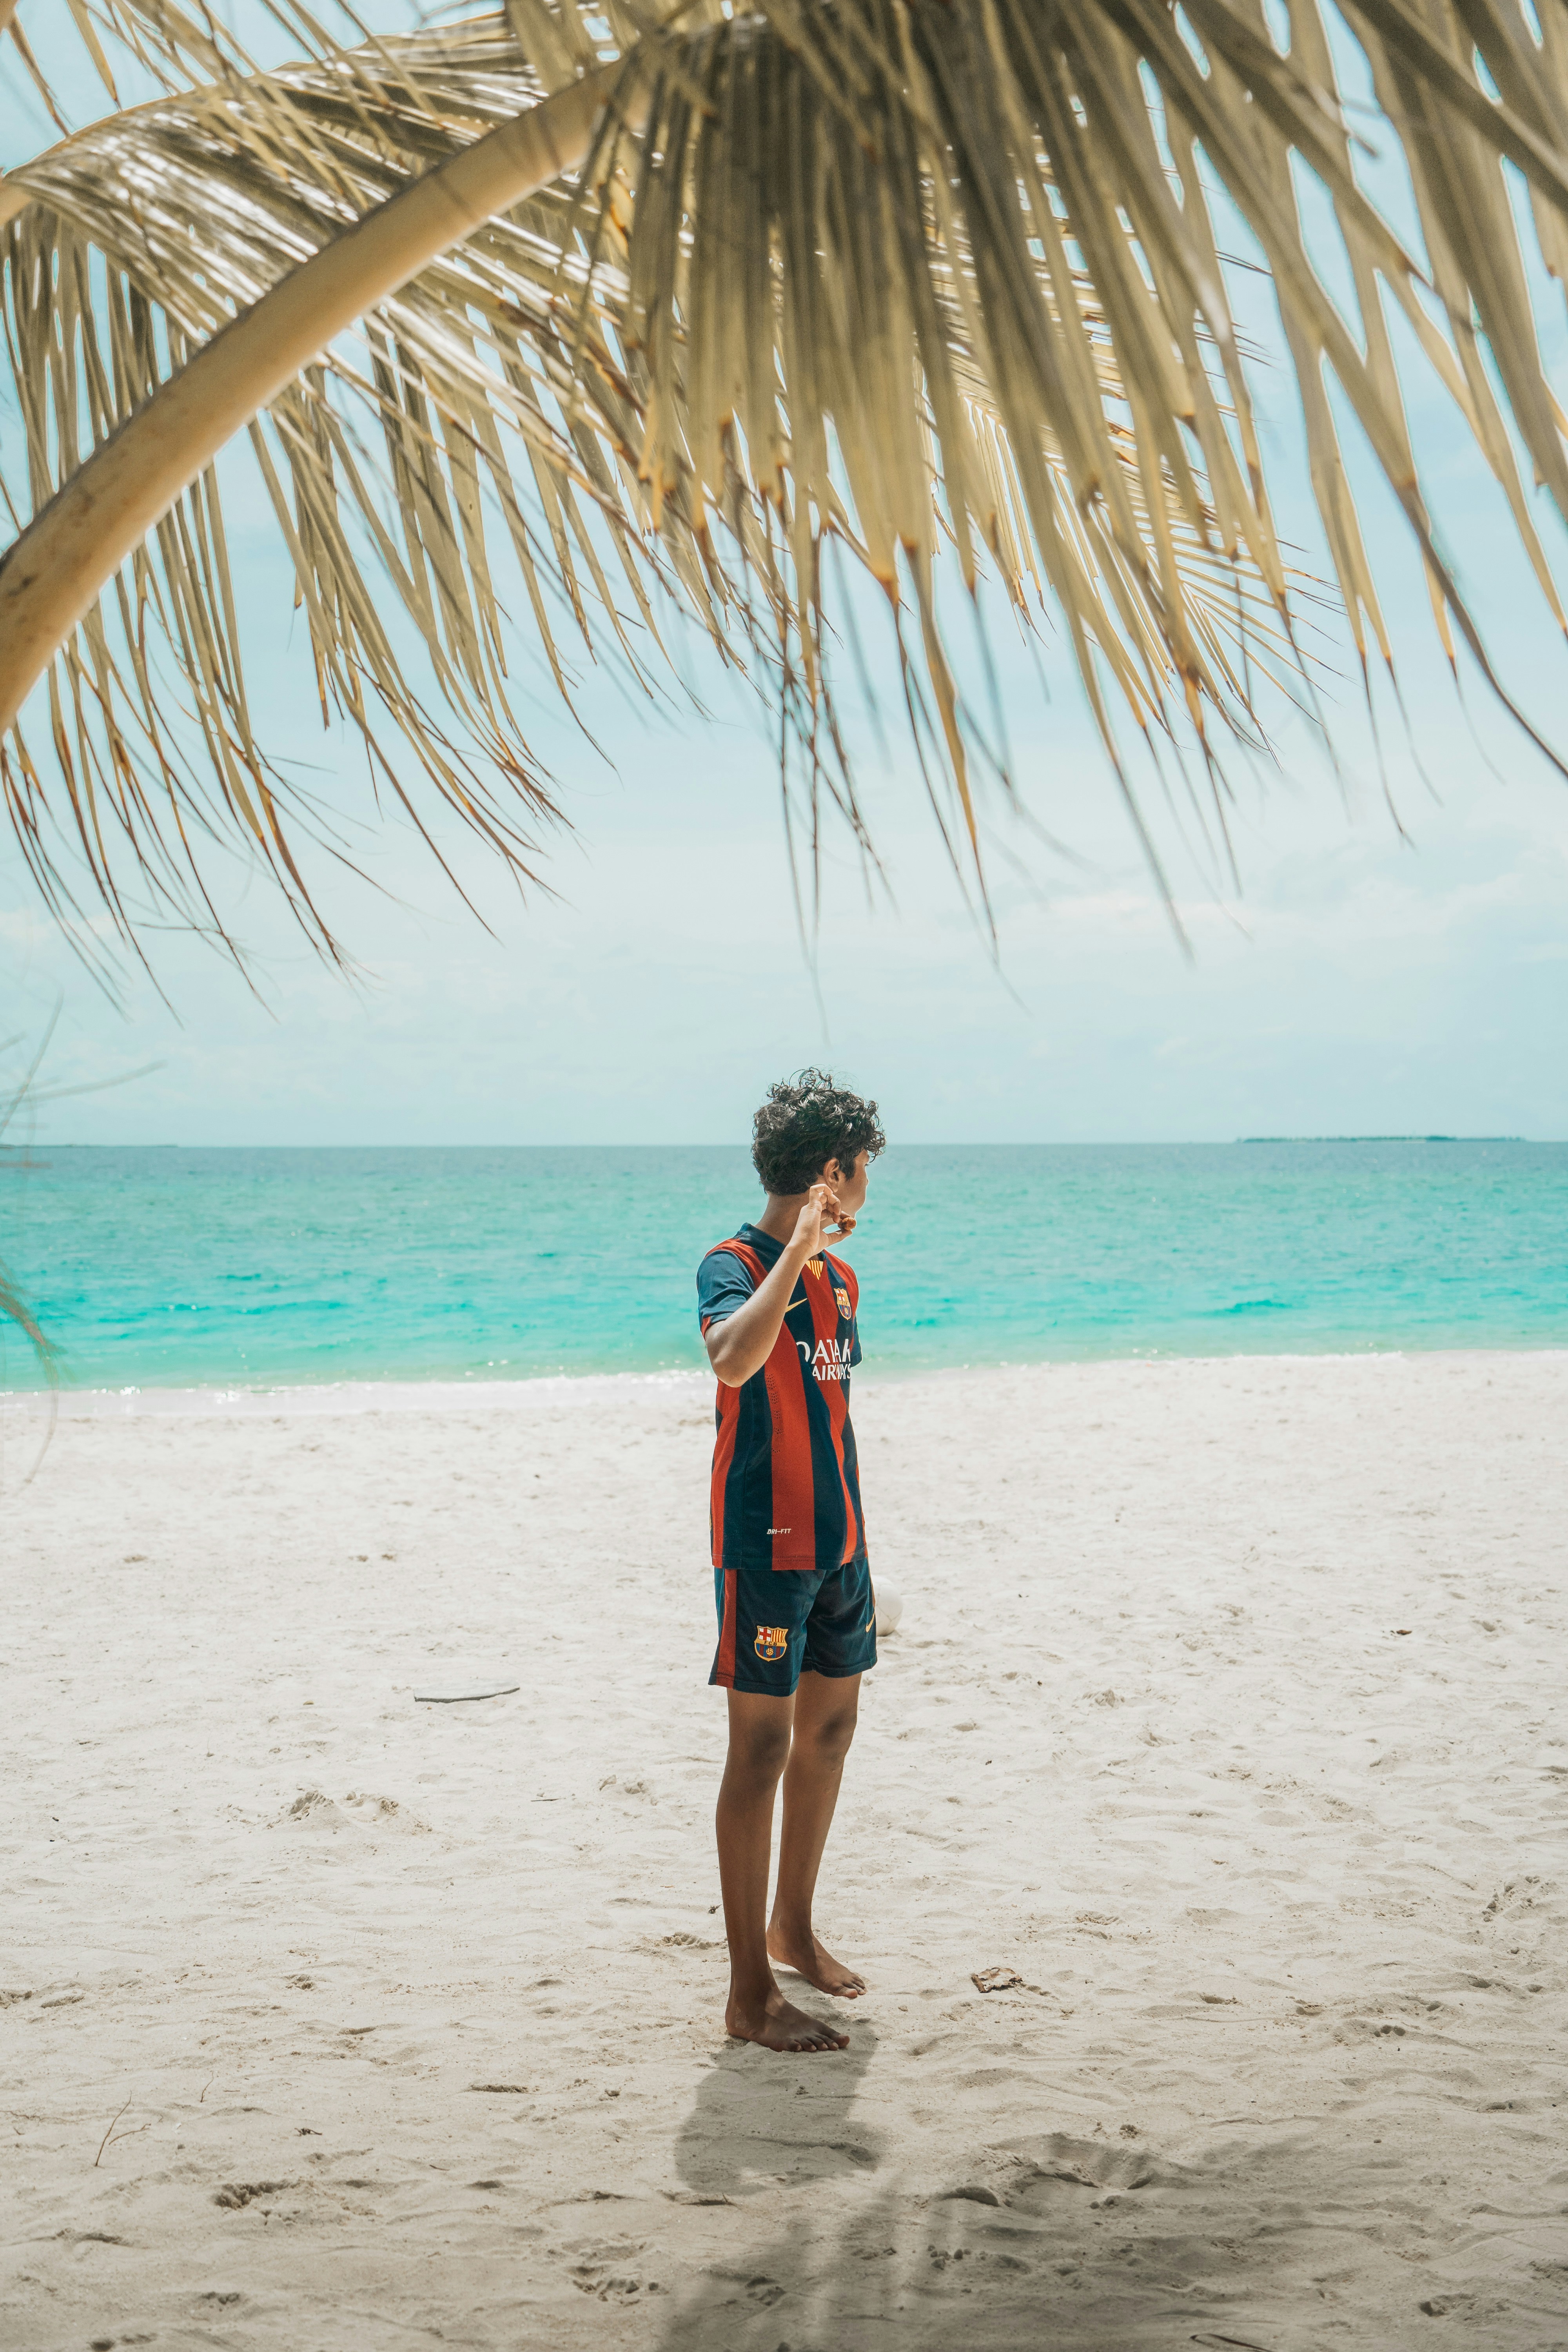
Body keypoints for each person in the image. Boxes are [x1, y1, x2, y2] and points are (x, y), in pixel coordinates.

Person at [695, 1070, 886, 2052]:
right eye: (860, 1174)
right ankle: (746, 1995)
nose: (863, 1193)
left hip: (839, 1544)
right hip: (763, 1547)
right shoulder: (732, 1262)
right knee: (761, 1749)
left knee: (831, 1733)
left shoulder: (842, 1279)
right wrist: (793, 1254)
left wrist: (857, 1534)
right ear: (829, 1172)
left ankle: (793, 1930)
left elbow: (833, 1414)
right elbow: (731, 1358)